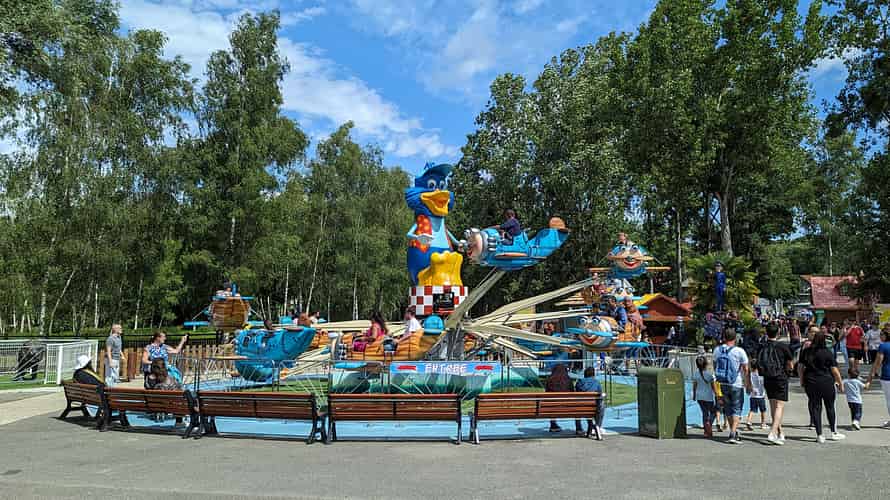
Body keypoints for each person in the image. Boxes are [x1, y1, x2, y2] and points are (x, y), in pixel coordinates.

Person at [799, 332, 846, 443]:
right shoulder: (827, 352)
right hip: (826, 381)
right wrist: (840, 383)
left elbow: (800, 367)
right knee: (830, 407)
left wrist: (801, 380)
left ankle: (819, 434)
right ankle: (834, 432)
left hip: (810, 381)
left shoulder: (806, 351)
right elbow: (834, 370)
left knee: (816, 407)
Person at [713, 328, 750, 444]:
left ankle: (733, 431)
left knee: (728, 408)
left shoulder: (717, 350)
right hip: (736, 383)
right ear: (735, 338)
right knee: (737, 408)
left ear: (724, 337)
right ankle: (733, 433)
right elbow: (746, 369)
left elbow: (714, 366)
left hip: (722, 383)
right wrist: (747, 383)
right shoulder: (739, 351)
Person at [758, 323, 794, 445]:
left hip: (767, 377)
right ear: (778, 333)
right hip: (780, 377)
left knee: (773, 405)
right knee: (779, 406)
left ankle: (780, 432)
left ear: (766, 332)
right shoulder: (782, 346)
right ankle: (773, 432)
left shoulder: (762, 346)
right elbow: (790, 364)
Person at [865, 328, 890, 428]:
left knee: (889, 400)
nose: (880, 336)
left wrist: (871, 375)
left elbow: (878, 362)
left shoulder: (883, 346)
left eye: (881, 334)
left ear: (885, 336)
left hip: (887, 375)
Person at [574, 366, 604, 439]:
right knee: (601, 405)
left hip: (580, 407)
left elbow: (576, 393)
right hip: (592, 408)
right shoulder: (596, 382)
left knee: (577, 404)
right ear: (593, 374)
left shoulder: (579, 382)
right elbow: (600, 395)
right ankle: (597, 426)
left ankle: (579, 428)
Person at [693, 356, 718, 438]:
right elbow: (714, 387)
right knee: (713, 412)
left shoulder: (696, 374)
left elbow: (694, 386)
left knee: (704, 413)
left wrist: (694, 395)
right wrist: (718, 396)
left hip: (699, 396)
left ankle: (706, 432)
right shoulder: (710, 374)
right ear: (706, 364)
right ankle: (709, 424)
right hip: (708, 397)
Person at [545, 364, 573, 432]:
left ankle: (553, 424)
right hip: (567, 406)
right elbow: (572, 392)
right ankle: (579, 427)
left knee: (551, 403)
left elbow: (546, 393)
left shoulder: (550, 380)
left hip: (553, 406)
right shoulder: (568, 380)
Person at [744, 359, 767, 431]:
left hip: (753, 395)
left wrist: (748, 389)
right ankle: (763, 424)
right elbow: (764, 383)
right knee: (763, 410)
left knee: (752, 410)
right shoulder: (761, 374)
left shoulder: (750, 374)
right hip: (761, 395)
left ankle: (748, 421)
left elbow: (748, 383)